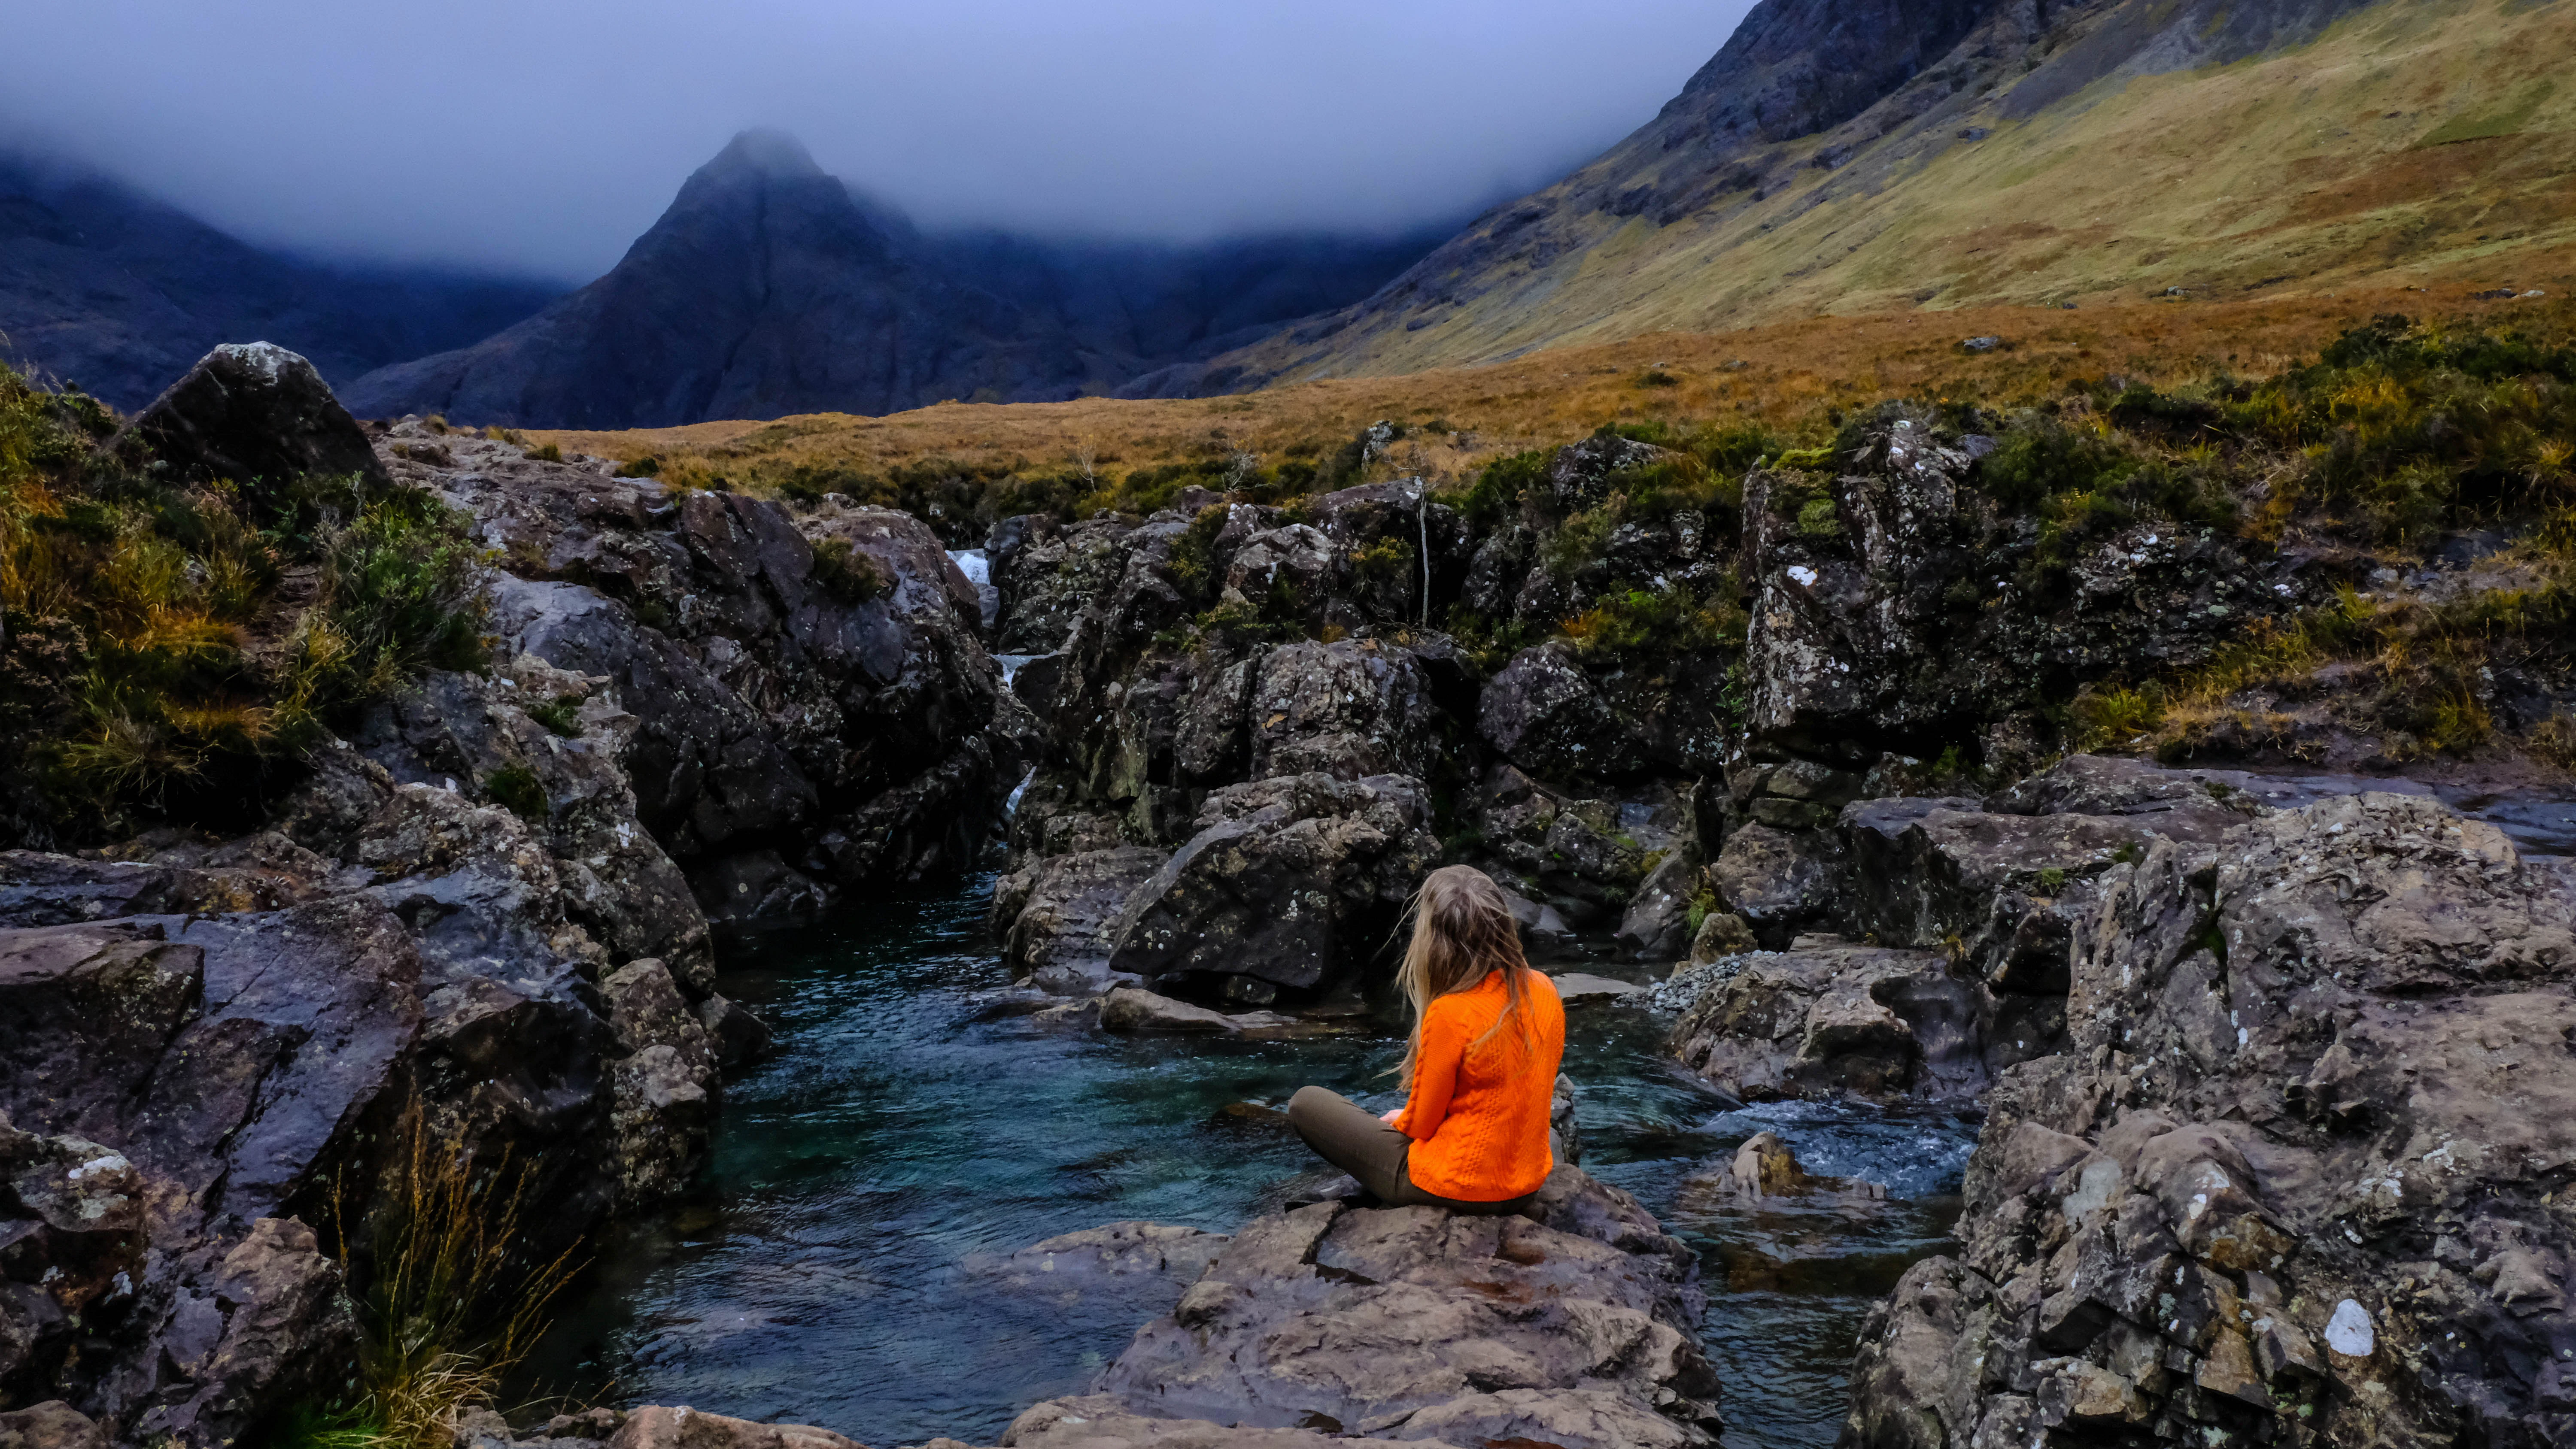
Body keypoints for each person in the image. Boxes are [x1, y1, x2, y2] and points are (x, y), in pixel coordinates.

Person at [1288, 864, 1566, 1216]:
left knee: (1306, 1103)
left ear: (1434, 941)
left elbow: (1421, 1126)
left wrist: (1400, 1120)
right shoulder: (1544, 988)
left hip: (1455, 1187)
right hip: (1525, 1184)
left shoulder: (1451, 1013)